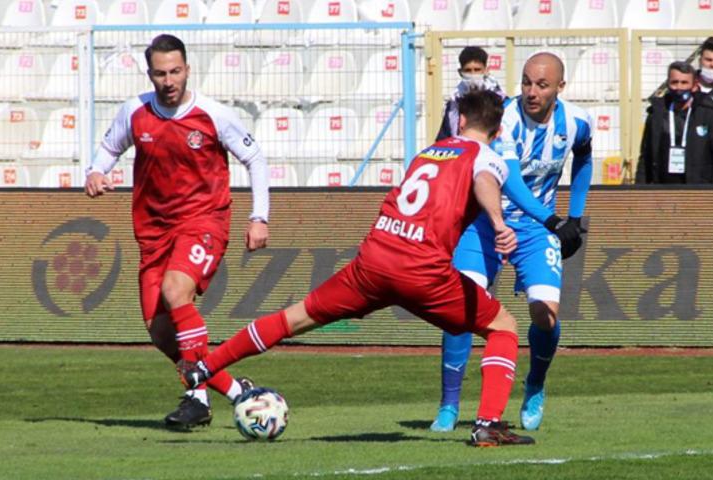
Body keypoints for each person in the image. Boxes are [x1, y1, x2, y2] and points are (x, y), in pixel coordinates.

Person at [178, 89, 535, 447]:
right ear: (498, 130)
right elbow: (484, 181)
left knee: (295, 317)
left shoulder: (428, 152)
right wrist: (499, 223)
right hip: (422, 269)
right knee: (503, 326)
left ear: (459, 120)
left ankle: (204, 368)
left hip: (375, 259)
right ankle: (487, 424)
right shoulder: (486, 155)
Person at [85, 34, 270, 429]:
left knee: (175, 291)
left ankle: (197, 397)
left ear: (187, 69)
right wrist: (95, 172)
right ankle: (239, 393)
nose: (168, 81)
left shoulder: (214, 115)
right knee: (161, 333)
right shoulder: (134, 112)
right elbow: (108, 149)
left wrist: (259, 217)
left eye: (175, 72)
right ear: (149, 73)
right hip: (152, 234)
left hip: (204, 221)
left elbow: (254, 158)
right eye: (160, 73)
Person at [431, 51, 593, 432]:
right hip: (487, 221)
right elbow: (514, 183)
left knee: (545, 313)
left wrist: (576, 216)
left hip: (535, 231)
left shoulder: (577, 122)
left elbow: (585, 158)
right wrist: (556, 220)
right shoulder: (503, 120)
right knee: (460, 307)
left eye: (542, 85)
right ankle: (449, 404)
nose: (531, 92)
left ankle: (535, 384)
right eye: (525, 82)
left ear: (560, 87)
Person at [635, 61, 713, 184]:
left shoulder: (710, 114)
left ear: (694, 85)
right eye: (674, 82)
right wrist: (640, 189)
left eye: (684, 82)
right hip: (663, 188)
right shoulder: (656, 113)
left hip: (698, 189)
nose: (679, 88)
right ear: (668, 84)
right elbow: (645, 157)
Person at [436, 46, 506, 141]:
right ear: (460, 72)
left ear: (486, 70)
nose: (473, 75)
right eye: (468, 70)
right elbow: (444, 138)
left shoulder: (500, 101)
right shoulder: (454, 103)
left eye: (477, 70)